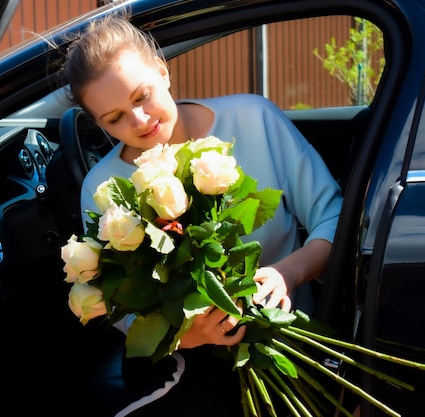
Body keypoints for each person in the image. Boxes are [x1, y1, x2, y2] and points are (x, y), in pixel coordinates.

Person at [59, 13, 343, 417]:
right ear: (97, 123)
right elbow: (122, 306)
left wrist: (289, 273)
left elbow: (334, 217)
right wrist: (186, 336)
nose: (140, 121)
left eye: (141, 96)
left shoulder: (254, 119)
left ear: (162, 71)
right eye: (115, 118)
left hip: (288, 334)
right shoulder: (103, 188)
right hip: (189, 359)